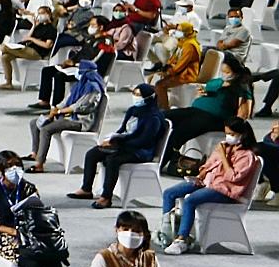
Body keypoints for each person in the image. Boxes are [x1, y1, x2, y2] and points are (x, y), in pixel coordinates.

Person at [159, 117, 261, 254]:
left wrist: (224, 157)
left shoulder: (247, 156)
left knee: (190, 200)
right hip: (207, 182)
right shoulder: (224, 147)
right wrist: (201, 175)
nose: (228, 137)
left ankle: (181, 239)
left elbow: (232, 177)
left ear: (242, 134)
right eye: (226, 133)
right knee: (169, 193)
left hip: (225, 191)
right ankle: (167, 232)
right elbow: (208, 165)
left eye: (231, 134)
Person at [70, 83, 166, 207]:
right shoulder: (133, 110)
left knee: (112, 160)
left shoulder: (154, 118)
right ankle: (86, 189)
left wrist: (118, 143)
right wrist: (112, 139)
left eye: (139, 95)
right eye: (134, 94)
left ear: (148, 98)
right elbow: (122, 130)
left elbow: (144, 141)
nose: (136, 97)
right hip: (124, 145)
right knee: (93, 153)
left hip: (141, 152)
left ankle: (106, 197)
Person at [161, 53, 254, 175]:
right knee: (163, 117)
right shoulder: (218, 82)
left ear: (235, 73)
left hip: (213, 118)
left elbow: (244, 113)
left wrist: (234, 125)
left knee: (179, 132)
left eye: (226, 72)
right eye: (222, 71)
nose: (223, 75)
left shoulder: (241, 87)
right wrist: (204, 92)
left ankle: (161, 162)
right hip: (195, 110)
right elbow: (209, 88)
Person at [26, 57, 105, 172]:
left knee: (46, 129)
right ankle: (35, 153)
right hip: (67, 116)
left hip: (79, 121)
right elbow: (66, 101)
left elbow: (79, 107)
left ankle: (39, 164)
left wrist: (59, 112)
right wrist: (56, 108)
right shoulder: (79, 85)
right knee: (34, 123)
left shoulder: (93, 89)